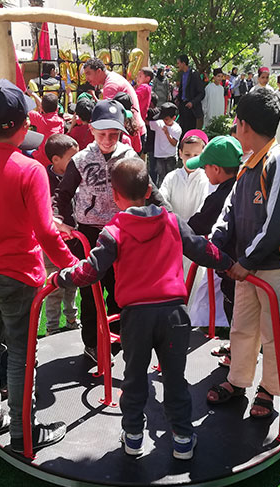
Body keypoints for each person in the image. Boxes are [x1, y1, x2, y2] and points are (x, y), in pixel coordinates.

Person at [54, 157, 233, 459]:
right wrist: (229, 264)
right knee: (175, 379)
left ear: (115, 196)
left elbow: (92, 270)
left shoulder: (114, 230)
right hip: (175, 314)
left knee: (135, 378)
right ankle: (182, 437)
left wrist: (62, 276)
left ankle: (134, 435)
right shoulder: (172, 222)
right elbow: (203, 249)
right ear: (149, 189)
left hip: (136, 317)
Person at [0, 79, 79, 453]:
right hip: (21, 276)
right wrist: (73, 265)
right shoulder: (30, 170)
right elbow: (44, 231)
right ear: (26, 124)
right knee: (24, 352)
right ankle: (24, 430)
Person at [206, 88, 280, 419]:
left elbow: (277, 221)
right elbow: (231, 208)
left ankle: (269, 389)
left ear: (245, 125)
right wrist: (219, 238)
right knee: (243, 325)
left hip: (276, 265)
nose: (235, 128)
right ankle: (238, 380)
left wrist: (246, 261)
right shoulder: (249, 162)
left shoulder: (277, 161)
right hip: (246, 266)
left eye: (236, 122)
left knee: (274, 330)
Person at [53, 100, 167, 362]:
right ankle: (92, 343)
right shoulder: (81, 159)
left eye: (113, 134)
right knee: (91, 292)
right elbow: (63, 193)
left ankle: (116, 339)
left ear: (121, 133)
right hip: (90, 233)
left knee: (120, 290)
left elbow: (150, 190)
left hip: (123, 231)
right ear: (91, 130)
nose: (107, 140)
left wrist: (167, 216)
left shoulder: (129, 157)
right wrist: (65, 221)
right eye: (102, 134)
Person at [185, 135, 243, 337]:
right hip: (244, 262)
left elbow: (196, 225)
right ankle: (236, 349)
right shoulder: (243, 186)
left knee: (234, 308)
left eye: (205, 167)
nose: (203, 171)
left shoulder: (219, 197)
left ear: (216, 169)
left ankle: (237, 355)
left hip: (232, 267)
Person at [43, 134, 81, 334]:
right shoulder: (44, 180)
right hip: (51, 241)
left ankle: (72, 318)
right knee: (54, 285)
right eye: (72, 158)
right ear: (55, 159)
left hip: (72, 238)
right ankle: (52, 326)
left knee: (72, 282)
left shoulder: (76, 175)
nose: (76, 162)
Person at [83, 58, 147, 139]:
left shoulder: (111, 84)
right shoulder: (112, 78)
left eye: (88, 74)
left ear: (99, 71)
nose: (86, 78)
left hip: (130, 134)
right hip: (133, 130)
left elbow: (105, 114)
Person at [148, 102, 182, 186]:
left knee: (170, 176)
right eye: (163, 119)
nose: (164, 121)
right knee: (161, 176)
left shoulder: (177, 129)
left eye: (166, 119)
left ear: (173, 118)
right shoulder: (159, 123)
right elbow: (148, 123)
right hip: (159, 156)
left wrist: (167, 133)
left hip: (171, 156)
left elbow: (174, 143)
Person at [28, 93, 65, 167]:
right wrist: (34, 95)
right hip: (55, 159)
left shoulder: (41, 119)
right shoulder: (61, 122)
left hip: (41, 158)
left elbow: (27, 110)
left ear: (41, 108)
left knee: (24, 150)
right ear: (57, 108)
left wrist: (33, 95)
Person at [175, 54, 205, 133]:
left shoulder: (194, 75)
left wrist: (192, 102)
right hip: (183, 107)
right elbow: (182, 90)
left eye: (178, 63)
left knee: (190, 131)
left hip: (191, 109)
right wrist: (178, 98)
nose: (177, 65)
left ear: (183, 63)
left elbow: (202, 93)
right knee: (182, 130)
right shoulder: (182, 75)